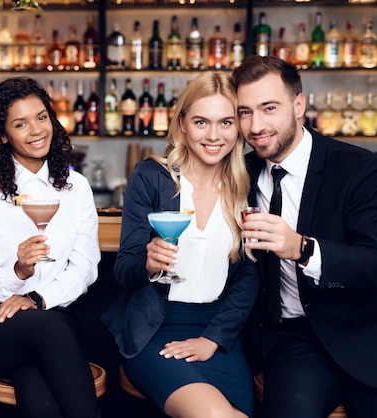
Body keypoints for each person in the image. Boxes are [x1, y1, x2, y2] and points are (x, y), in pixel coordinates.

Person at [233, 55, 377, 418]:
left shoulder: (362, 169)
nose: (256, 125)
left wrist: (301, 248)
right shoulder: (240, 174)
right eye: (245, 112)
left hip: (366, 333)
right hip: (292, 340)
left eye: (269, 108)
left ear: (299, 105)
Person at [101, 72, 259, 418]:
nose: (214, 135)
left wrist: (212, 340)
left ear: (239, 128)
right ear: (183, 123)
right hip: (155, 332)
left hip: (218, 336)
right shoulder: (153, 177)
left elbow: (249, 277)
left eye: (226, 122)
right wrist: (147, 263)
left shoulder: (246, 187)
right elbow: (124, 270)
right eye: (201, 121)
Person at [0, 77, 101, 418]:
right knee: (51, 327)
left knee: (41, 402)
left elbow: (86, 267)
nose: (37, 130)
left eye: (41, 117)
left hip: (51, 322)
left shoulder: (76, 188)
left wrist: (37, 299)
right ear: (3, 135)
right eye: (20, 123)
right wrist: (18, 273)